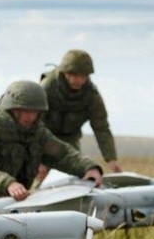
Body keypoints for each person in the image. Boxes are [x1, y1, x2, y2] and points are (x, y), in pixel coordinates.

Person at [0, 80, 103, 206]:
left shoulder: (37, 132)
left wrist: (89, 168)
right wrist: (7, 184)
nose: (29, 117)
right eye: (24, 111)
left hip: (15, 197)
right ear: (12, 109)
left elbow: (63, 155)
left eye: (34, 112)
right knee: (0, 198)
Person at [39, 49, 122, 177]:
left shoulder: (91, 95)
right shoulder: (47, 87)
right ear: (65, 72)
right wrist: (39, 155)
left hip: (71, 141)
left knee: (77, 175)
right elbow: (34, 123)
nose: (79, 80)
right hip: (45, 138)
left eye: (83, 76)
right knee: (39, 174)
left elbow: (101, 127)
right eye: (75, 75)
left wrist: (111, 158)